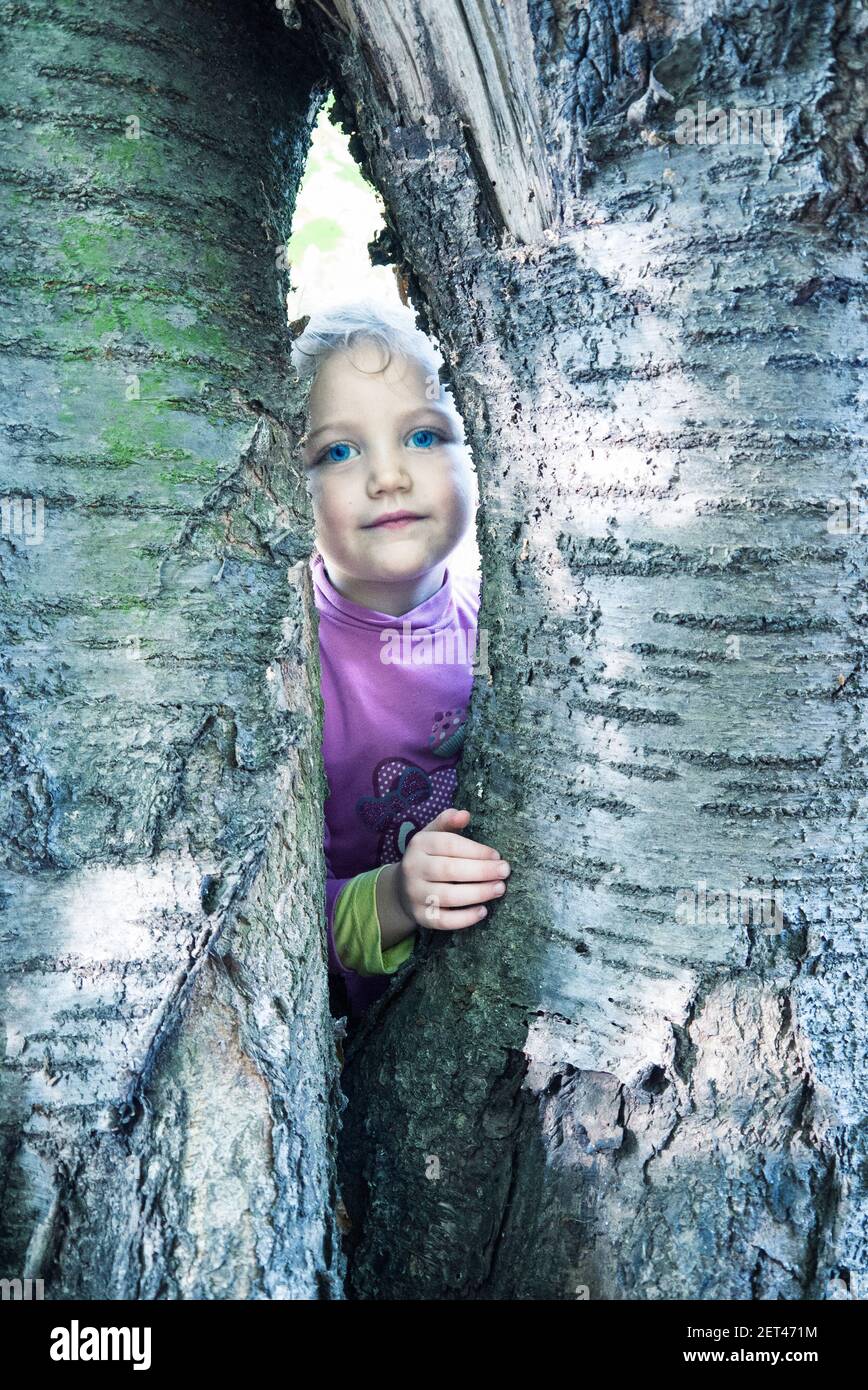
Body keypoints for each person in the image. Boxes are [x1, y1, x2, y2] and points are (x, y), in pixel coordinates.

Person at [290, 299, 512, 1021]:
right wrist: (395, 897)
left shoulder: (510, 619)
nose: (387, 476)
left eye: (423, 434)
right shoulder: (292, 668)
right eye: (339, 451)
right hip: (369, 1036)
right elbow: (277, 923)